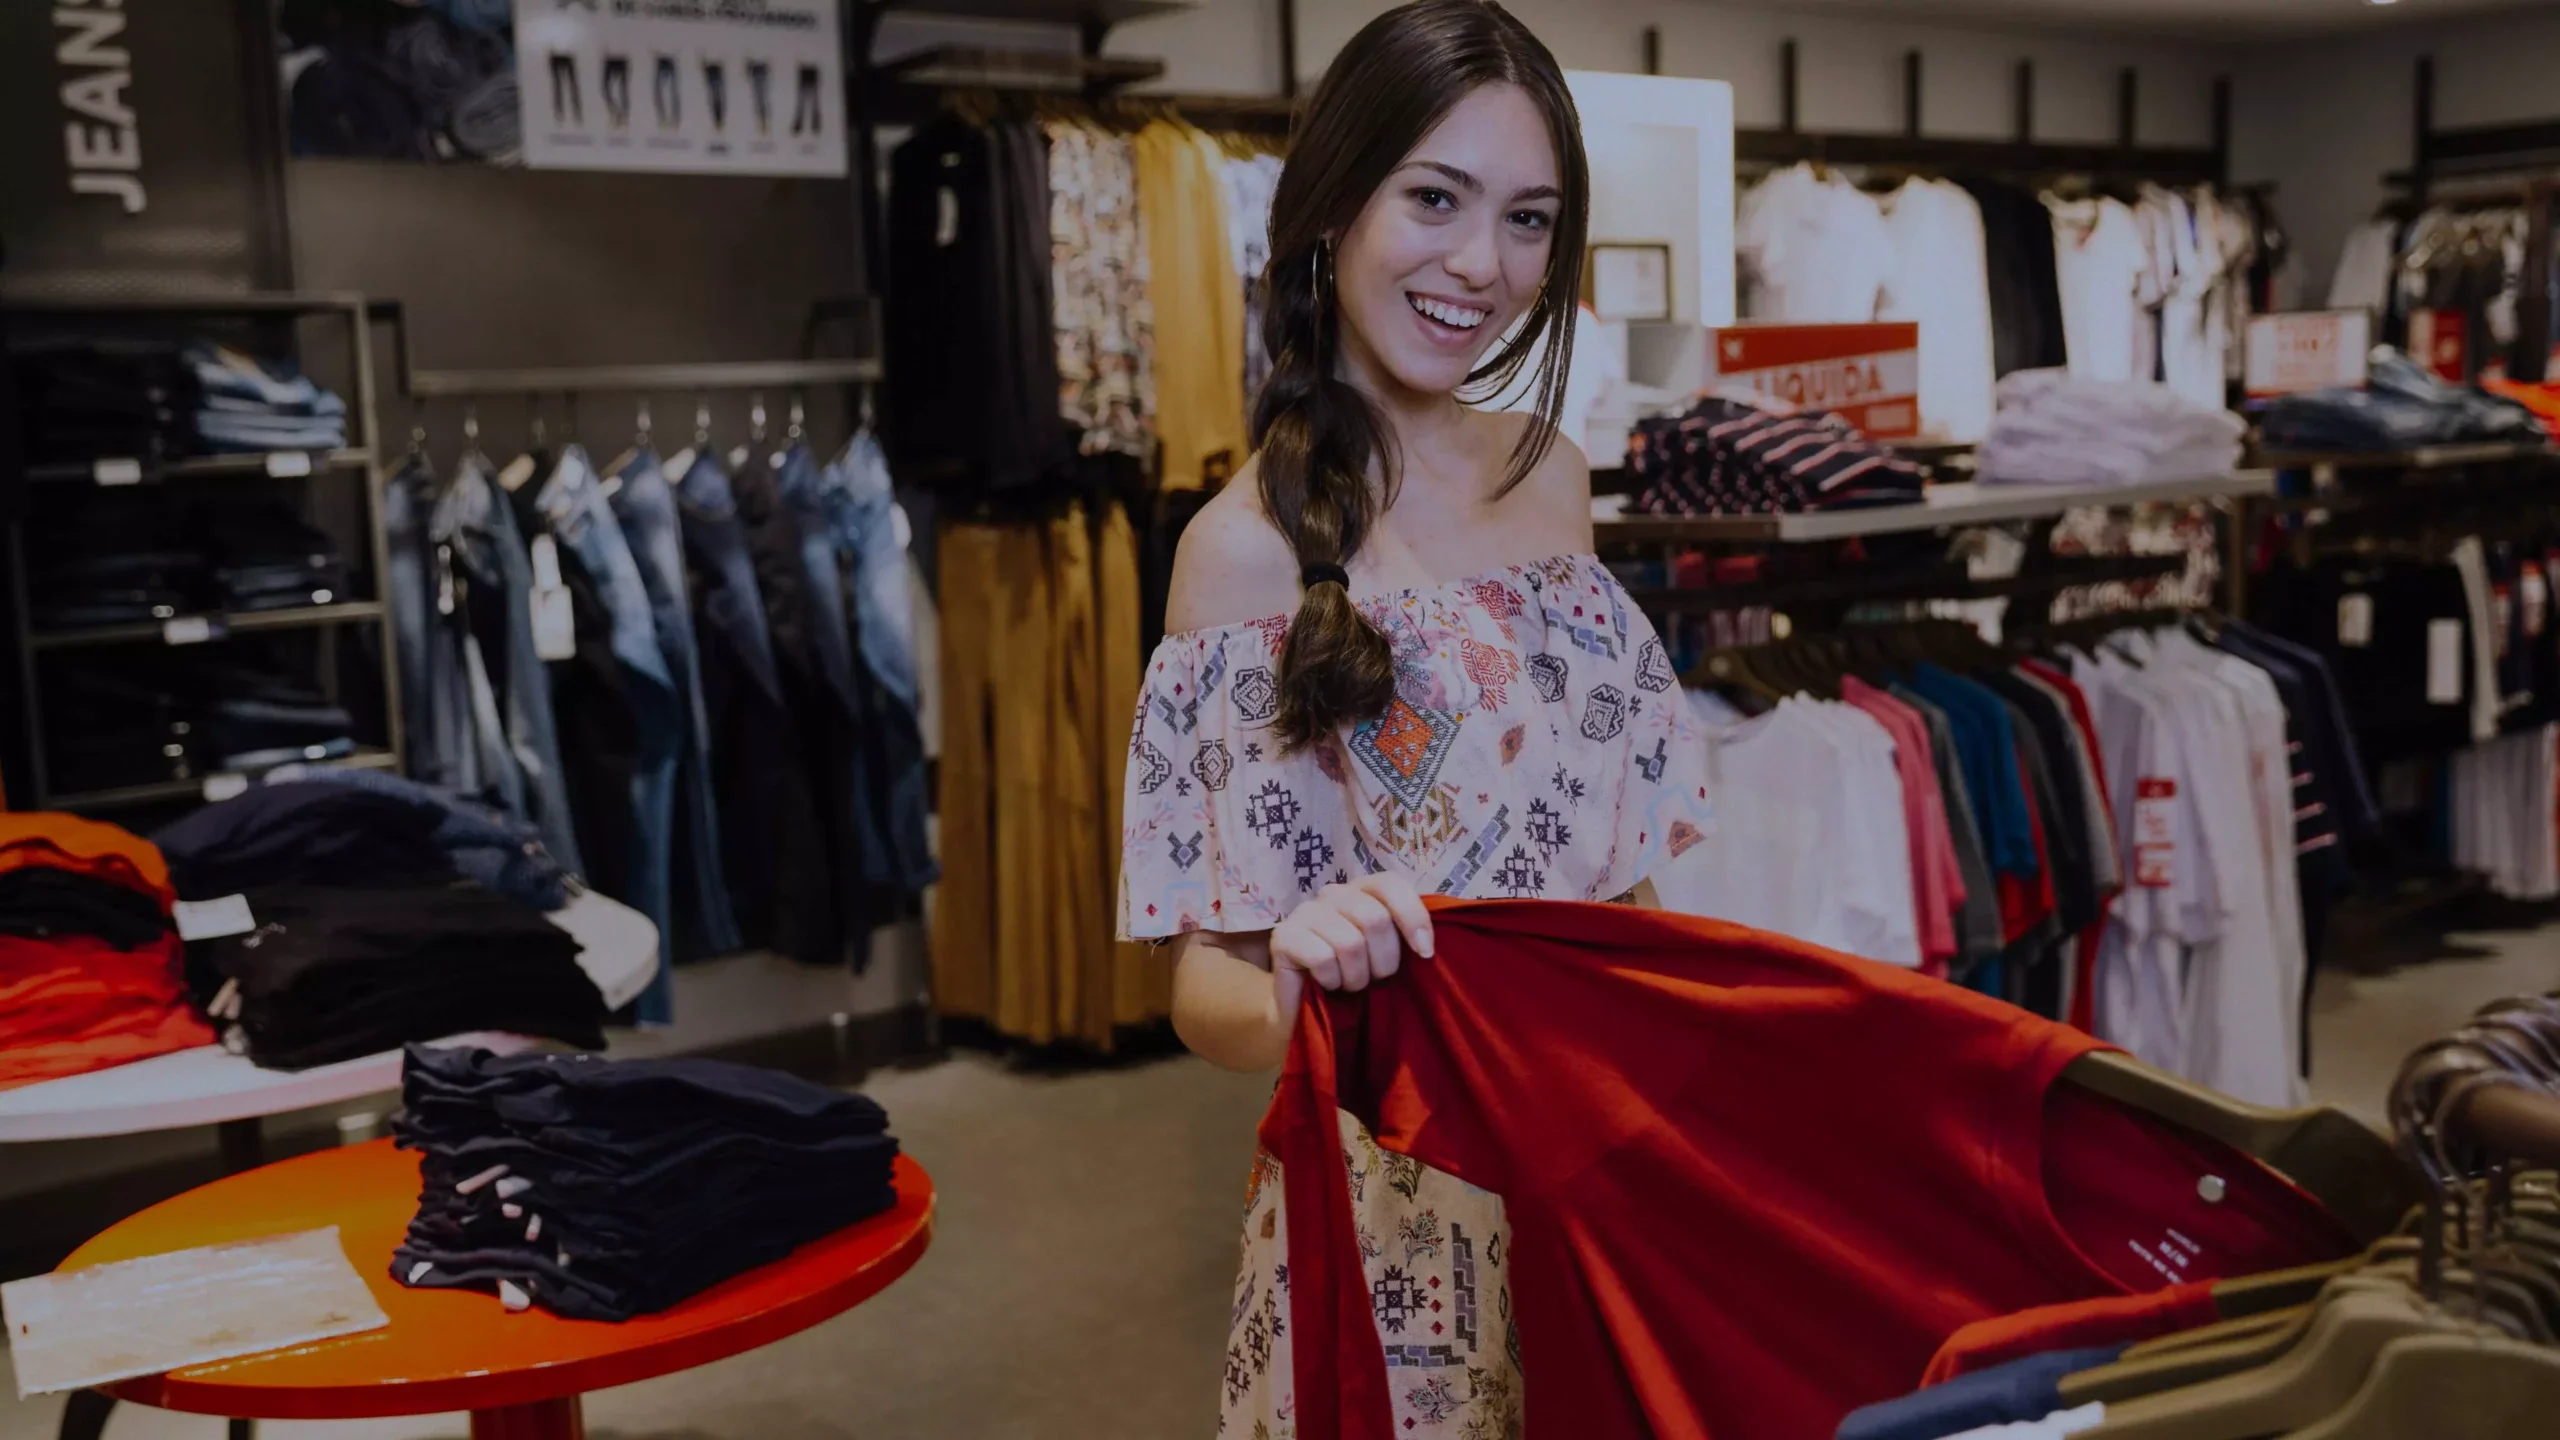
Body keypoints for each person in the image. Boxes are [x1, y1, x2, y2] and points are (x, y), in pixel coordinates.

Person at [1115, 2, 1714, 1432]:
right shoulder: (1243, 553)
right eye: (1433, 199)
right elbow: (1204, 991)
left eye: (1526, 218)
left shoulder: (1552, 477)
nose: (1480, 265)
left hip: (1604, 1174)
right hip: (1399, 1232)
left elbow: (1616, 888)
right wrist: (1298, 983)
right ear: (1332, 206)